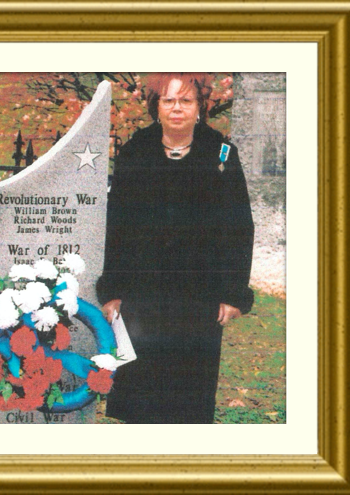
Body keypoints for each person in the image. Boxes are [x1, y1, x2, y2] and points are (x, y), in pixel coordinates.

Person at [97, 73, 254, 424]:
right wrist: (112, 291)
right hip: (143, 295)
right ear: (156, 107)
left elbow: (239, 228)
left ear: (200, 106)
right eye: (168, 101)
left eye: (186, 100)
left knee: (188, 401)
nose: (177, 109)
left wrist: (232, 293)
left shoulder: (222, 153)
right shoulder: (136, 150)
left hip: (199, 296)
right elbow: (117, 225)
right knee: (142, 399)